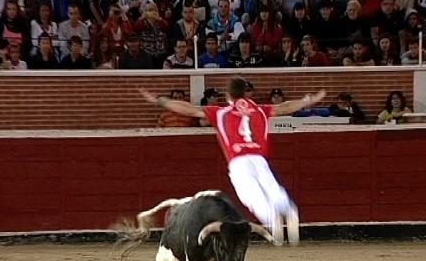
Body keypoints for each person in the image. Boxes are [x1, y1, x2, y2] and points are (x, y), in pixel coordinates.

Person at [139, 76, 326, 246]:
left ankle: (272, 217)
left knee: (251, 196)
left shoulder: (221, 112)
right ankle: (288, 208)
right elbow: (285, 107)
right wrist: (307, 101)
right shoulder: (259, 109)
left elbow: (189, 110)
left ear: (228, 95)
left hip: (238, 162)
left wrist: (161, 100)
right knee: (272, 188)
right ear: (244, 92)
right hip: (258, 158)